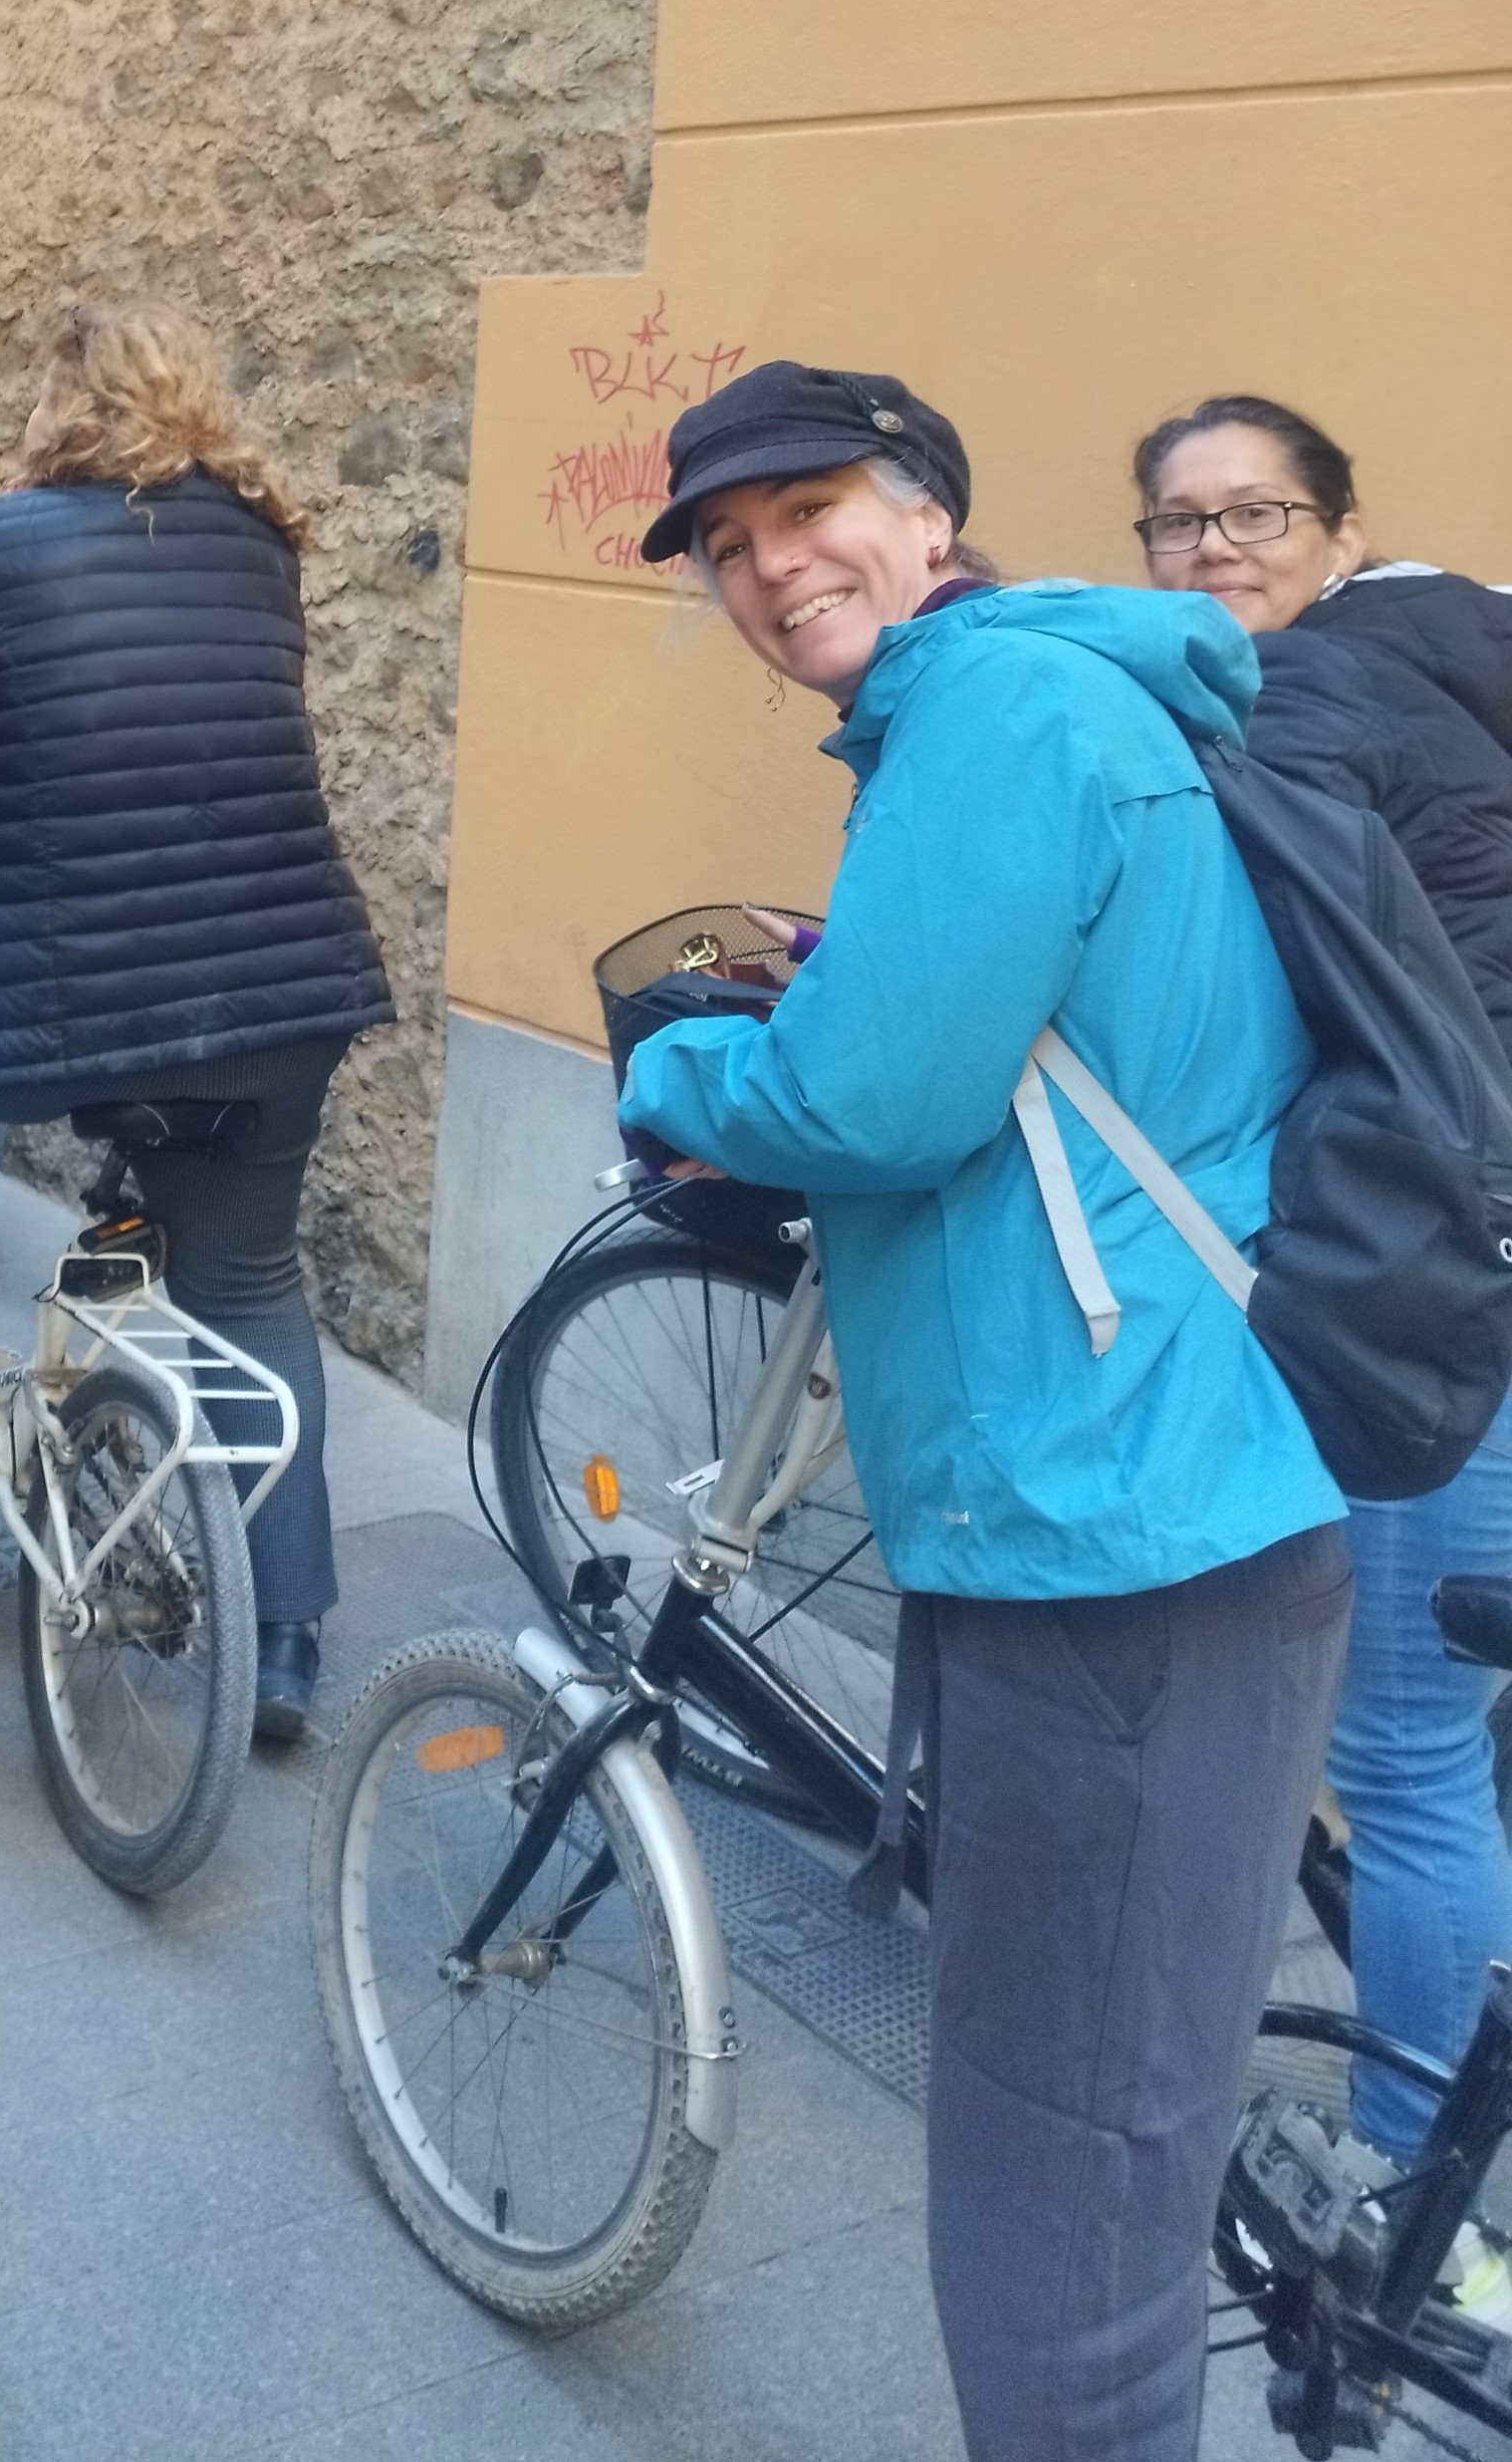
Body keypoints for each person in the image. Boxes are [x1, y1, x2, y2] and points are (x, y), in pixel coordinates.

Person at [618, 362, 1349, 2461]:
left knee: (1059, 2203)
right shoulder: (1048, 692)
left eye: (811, 507)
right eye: (729, 547)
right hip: (1155, 1487)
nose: (770, 566)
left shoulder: (995, 715)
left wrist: (673, 1078)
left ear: (931, 513)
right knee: (1104, 2132)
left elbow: (868, 1099)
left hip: (1115, 1527)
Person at [0, 301, 392, 1740]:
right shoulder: (259, 547)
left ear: (57, 407)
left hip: (68, 1003)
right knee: (250, 1284)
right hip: (284, 989)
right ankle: (290, 1638)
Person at [1134, 391, 1512, 2190]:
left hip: (1466, 1260)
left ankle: (1415, 2203)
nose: (1215, 551)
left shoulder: (1305, 699)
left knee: (1410, 1752)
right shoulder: (1470, 656)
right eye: (1179, 524)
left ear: (1344, 534)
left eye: (1256, 515)